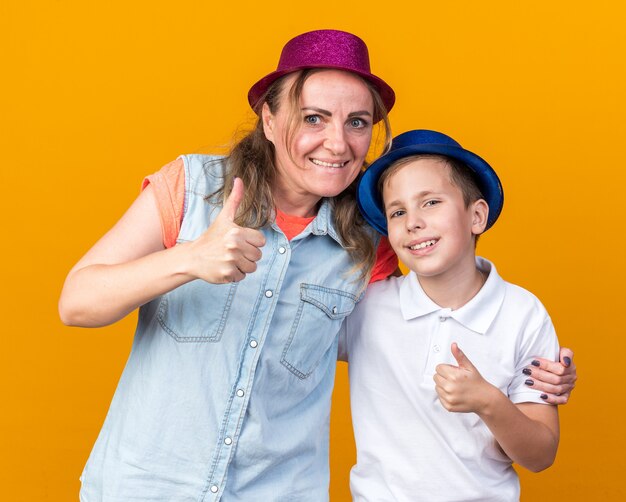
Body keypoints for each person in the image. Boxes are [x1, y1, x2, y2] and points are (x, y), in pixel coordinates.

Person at [59, 30, 575, 501]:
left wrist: (531, 375)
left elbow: (435, 306)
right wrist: (188, 259)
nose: (337, 143)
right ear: (269, 119)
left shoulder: (374, 241)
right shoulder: (193, 188)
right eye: (313, 118)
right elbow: (76, 303)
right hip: (142, 487)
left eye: (357, 123)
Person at [341, 129, 567, 501]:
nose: (412, 221)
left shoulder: (523, 314)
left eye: (430, 202)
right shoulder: (366, 306)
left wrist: (488, 402)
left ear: (476, 215)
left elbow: (541, 455)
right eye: (397, 211)